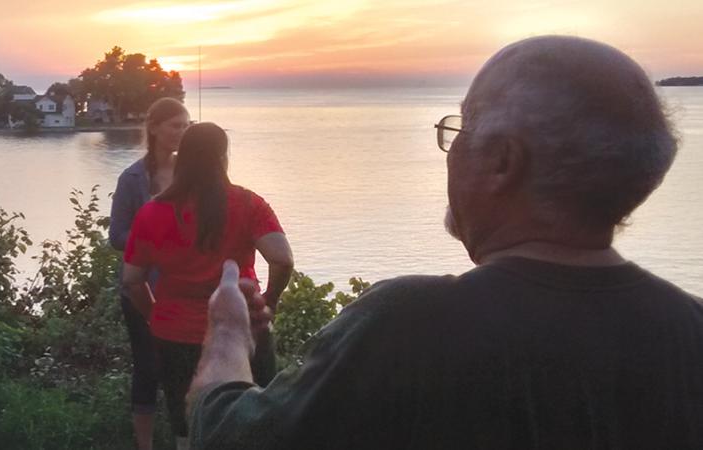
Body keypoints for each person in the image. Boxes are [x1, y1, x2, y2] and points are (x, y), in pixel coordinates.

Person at [187, 36, 703, 449]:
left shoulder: (408, 325)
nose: (451, 151)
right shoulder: (691, 330)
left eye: (462, 128)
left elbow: (230, 438)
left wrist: (229, 334)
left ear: (503, 161)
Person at [123, 122, 294, 450]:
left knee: (186, 424)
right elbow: (282, 259)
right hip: (241, 330)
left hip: (174, 334)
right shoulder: (248, 203)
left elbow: (132, 280)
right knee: (258, 419)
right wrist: (269, 302)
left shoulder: (152, 212)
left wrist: (156, 315)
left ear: (182, 158)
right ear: (222, 156)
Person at [109, 96, 189, 450]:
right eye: (176, 125)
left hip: (184, 290)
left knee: (182, 372)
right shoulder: (131, 179)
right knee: (147, 367)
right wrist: (156, 244)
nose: (182, 132)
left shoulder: (191, 176)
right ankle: (145, 446)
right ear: (154, 128)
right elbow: (116, 236)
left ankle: (184, 440)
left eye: (187, 126)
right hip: (139, 288)